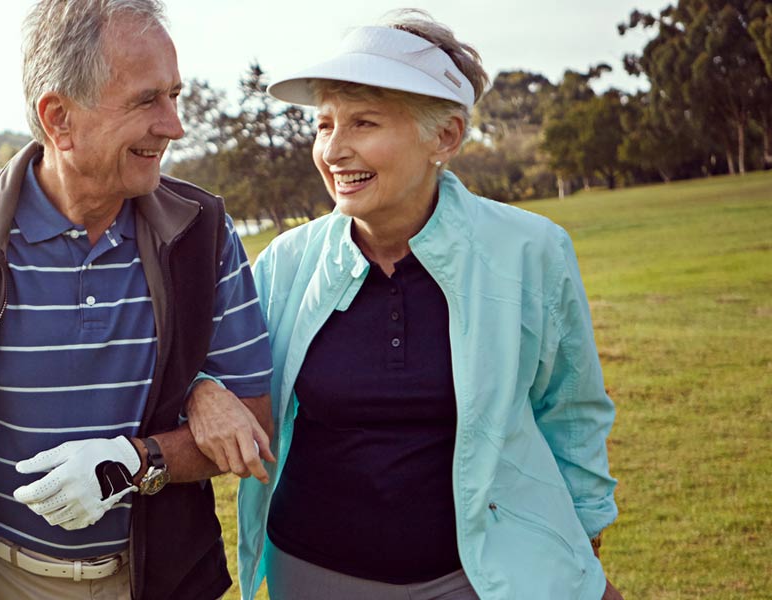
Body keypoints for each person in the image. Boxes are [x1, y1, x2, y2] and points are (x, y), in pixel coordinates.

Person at [0, 1, 277, 598]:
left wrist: (132, 463)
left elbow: (255, 424)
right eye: (147, 100)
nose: (174, 125)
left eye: (174, 95)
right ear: (59, 117)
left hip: (148, 579)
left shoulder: (204, 235)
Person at [188, 10, 622, 600]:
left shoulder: (531, 250)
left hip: (484, 576)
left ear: (444, 136)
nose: (334, 150)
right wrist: (202, 390)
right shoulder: (285, 262)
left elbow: (571, 410)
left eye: (363, 123)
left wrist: (582, 550)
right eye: (323, 125)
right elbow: (219, 373)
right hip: (314, 574)